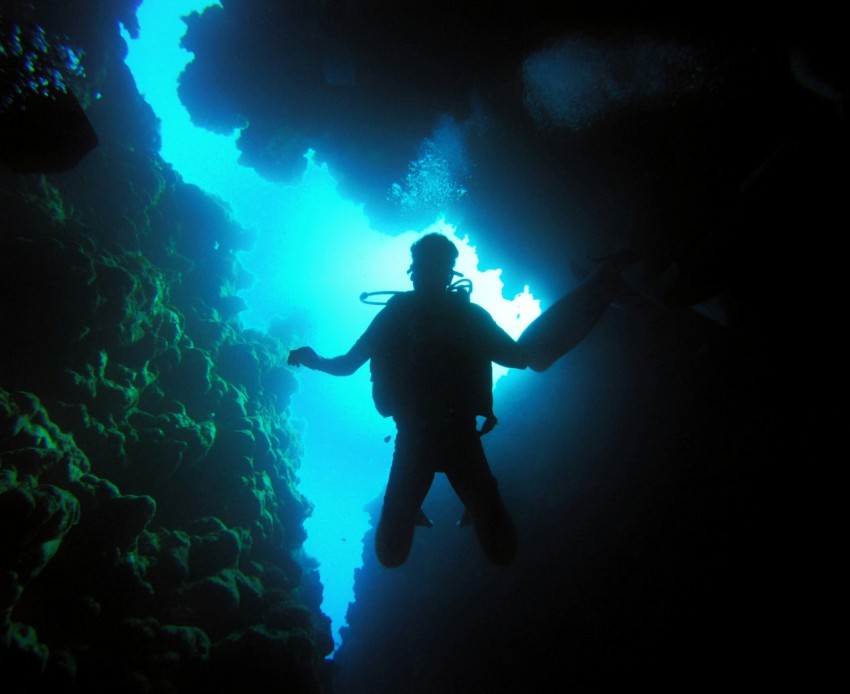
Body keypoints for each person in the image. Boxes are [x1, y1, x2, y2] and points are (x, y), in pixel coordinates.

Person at [288, 233, 630, 567]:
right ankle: (602, 287)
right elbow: (520, 357)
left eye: (437, 267)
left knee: (457, 550)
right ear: (416, 270)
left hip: (437, 437)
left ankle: (602, 286)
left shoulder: (452, 316)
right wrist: (314, 360)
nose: (430, 274)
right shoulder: (420, 316)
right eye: (427, 266)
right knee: (399, 553)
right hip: (435, 436)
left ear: (441, 272)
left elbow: (349, 365)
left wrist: (314, 360)